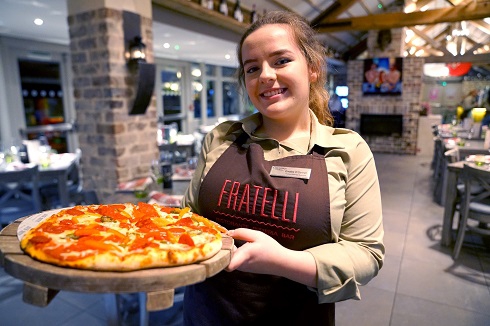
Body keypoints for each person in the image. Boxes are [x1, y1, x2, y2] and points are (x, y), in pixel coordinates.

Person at [181, 11, 384, 325]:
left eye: (280, 61)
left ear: (313, 68)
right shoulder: (221, 138)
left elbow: (366, 253)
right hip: (206, 314)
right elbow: (188, 218)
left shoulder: (348, 150)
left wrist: (284, 261)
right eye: (252, 68)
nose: (265, 75)